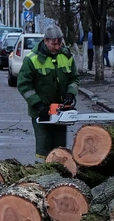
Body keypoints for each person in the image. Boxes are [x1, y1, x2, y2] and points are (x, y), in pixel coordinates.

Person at [16, 23, 80, 159]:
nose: (57, 47)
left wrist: (70, 93)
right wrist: (38, 104)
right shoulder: (32, 59)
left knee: (60, 148)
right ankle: (41, 173)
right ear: (45, 41)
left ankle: (61, 172)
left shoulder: (66, 56)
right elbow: (24, 85)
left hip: (62, 111)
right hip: (41, 112)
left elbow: (74, 78)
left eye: (59, 43)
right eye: (54, 44)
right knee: (43, 147)